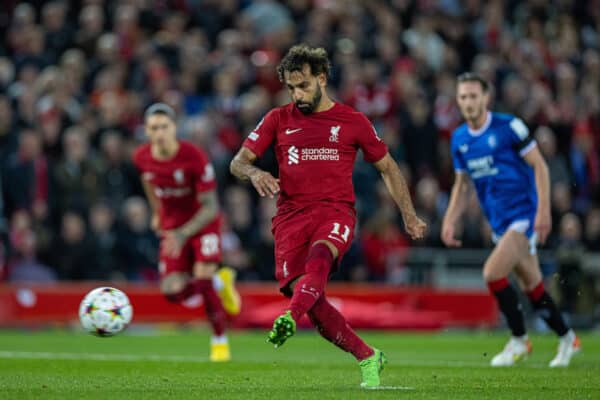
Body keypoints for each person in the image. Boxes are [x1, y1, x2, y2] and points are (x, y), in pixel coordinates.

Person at [230, 44, 426, 388]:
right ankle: (368, 356)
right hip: (290, 218)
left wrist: (408, 215)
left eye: (303, 85)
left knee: (320, 259)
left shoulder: (352, 121)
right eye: (291, 87)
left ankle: (290, 316)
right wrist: (255, 174)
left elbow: (388, 168)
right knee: (313, 300)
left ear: (322, 78)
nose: (297, 94)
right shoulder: (277, 118)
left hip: (335, 212)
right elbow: (238, 162)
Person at [441, 72, 580, 367]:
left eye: (473, 96)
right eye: (463, 97)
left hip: (524, 215)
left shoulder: (509, 127)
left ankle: (519, 340)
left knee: (492, 273)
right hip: (499, 222)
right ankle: (568, 338)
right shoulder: (459, 139)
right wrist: (450, 219)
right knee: (533, 286)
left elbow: (540, 166)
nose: (468, 102)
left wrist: (543, 212)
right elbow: (462, 184)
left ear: (485, 97)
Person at [133, 103, 241, 362]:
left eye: (164, 127)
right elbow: (147, 180)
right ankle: (220, 282)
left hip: (202, 224)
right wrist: (157, 212)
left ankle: (219, 342)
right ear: (147, 131)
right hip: (172, 226)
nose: (160, 132)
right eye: (154, 128)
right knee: (172, 292)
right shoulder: (141, 157)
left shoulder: (194, 156)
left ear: (175, 128)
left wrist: (183, 233)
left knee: (201, 280)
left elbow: (211, 206)